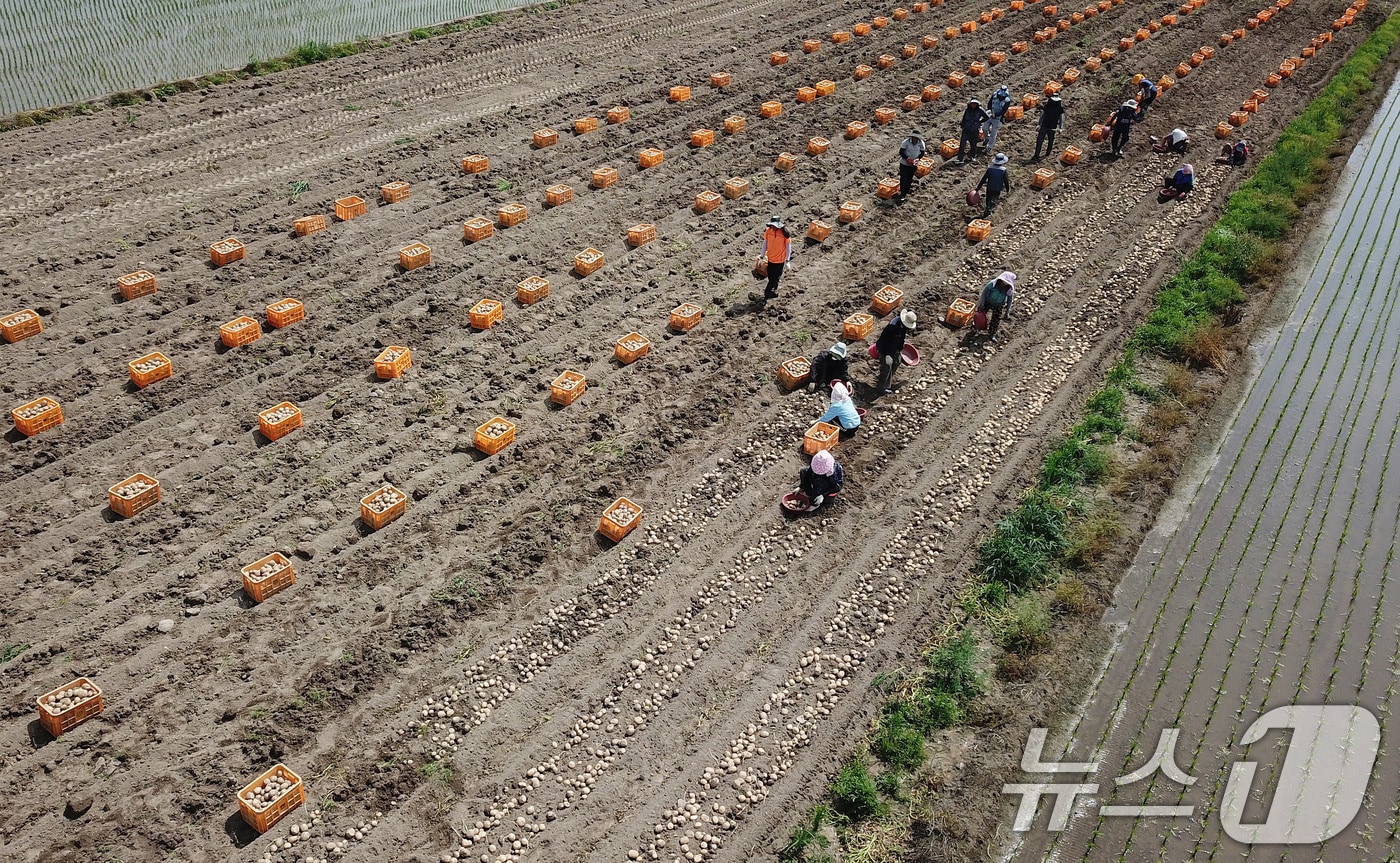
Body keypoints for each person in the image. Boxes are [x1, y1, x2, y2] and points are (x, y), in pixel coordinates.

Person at [875, 308, 917, 394]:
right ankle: (882, 388)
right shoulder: (892, 327)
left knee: (897, 361)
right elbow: (884, 340)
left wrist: (900, 349)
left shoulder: (903, 326)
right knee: (888, 365)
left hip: (894, 348)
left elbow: (901, 338)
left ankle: (887, 378)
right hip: (884, 349)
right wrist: (886, 354)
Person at [757, 215, 791, 306]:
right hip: (770, 259)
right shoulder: (769, 231)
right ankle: (774, 291)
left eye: (774, 226)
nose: (773, 227)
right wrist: (762, 256)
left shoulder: (784, 234)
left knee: (774, 279)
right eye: (771, 225)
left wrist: (787, 261)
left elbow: (788, 247)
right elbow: (765, 243)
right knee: (771, 277)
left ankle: (767, 294)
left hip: (779, 261)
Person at [977, 271, 1016, 342]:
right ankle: (976, 327)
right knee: (980, 314)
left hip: (999, 304)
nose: (1004, 283)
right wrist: (982, 304)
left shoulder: (1009, 289)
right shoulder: (992, 284)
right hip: (988, 301)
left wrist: (1007, 312)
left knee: (996, 319)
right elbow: (984, 293)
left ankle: (992, 334)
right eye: (1004, 281)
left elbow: (1010, 300)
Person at [975, 153, 1011, 217]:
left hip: (990, 186)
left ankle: (987, 209)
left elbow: (984, 178)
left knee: (988, 198)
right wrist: (1007, 189)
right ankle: (988, 211)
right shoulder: (1003, 170)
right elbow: (1006, 180)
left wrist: (979, 187)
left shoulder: (990, 168)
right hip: (997, 187)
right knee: (993, 199)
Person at [1032, 93, 1065, 161]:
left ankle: (1047, 153)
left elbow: (1061, 118)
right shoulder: (1047, 106)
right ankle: (1036, 155)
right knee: (1039, 141)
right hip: (1044, 126)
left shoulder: (1059, 108)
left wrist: (1060, 128)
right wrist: (1039, 124)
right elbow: (1042, 116)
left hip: (1053, 127)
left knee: (1051, 140)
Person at [957, 99, 990, 164]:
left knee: (973, 144)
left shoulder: (980, 110)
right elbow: (964, 118)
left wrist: (979, 122)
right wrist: (962, 125)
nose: (973, 105)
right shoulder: (967, 110)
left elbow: (986, 117)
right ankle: (960, 158)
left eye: (975, 104)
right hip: (966, 129)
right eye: (972, 104)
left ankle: (972, 156)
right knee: (962, 144)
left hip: (974, 130)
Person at [897, 130, 927, 199]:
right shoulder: (906, 142)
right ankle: (902, 194)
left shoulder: (921, 143)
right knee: (903, 178)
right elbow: (901, 152)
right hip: (904, 163)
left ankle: (906, 191)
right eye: (913, 137)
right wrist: (907, 158)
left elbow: (922, 153)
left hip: (914, 164)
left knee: (909, 178)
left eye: (916, 138)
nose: (915, 139)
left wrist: (918, 159)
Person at [984, 85, 1013, 153]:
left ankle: (989, 146)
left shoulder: (1007, 100)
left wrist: (996, 115)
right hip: (990, 115)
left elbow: (1003, 111)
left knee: (993, 133)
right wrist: (990, 110)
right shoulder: (994, 95)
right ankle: (986, 138)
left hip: (998, 118)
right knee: (984, 128)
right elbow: (989, 103)